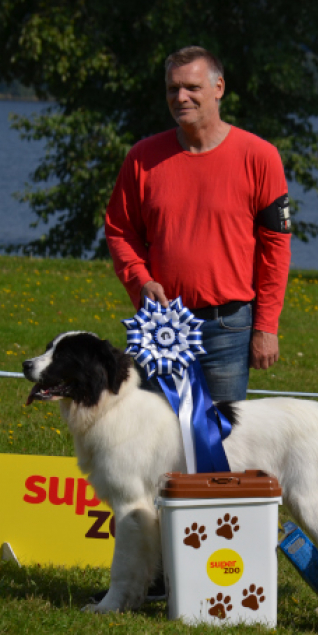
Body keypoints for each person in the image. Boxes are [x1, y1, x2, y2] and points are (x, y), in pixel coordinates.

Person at [105, 46, 292, 402]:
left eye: (192, 87)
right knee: (157, 442)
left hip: (230, 327)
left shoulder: (260, 156)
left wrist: (266, 326)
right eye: (172, 89)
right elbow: (119, 231)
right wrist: (140, 281)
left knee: (223, 442)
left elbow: (276, 248)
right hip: (162, 326)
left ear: (219, 87)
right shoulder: (142, 158)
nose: (181, 97)